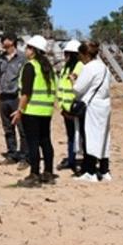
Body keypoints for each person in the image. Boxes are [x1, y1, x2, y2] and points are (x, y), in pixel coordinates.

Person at [11, 35, 56, 187]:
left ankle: (34, 174)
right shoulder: (48, 68)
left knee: (33, 143)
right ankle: (48, 172)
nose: (26, 50)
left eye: (29, 47)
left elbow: (26, 92)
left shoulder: (30, 66)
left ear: (35, 50)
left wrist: (19, 110)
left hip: (32, 110)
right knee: (45, 141)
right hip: (46, 111)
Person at [72, 41, 112, 182]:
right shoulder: (104, 68)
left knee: (90, 137)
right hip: (104, 105)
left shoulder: (89, 68)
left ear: (84, 54)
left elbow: (78, 89)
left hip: (92, 106)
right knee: (104, 138)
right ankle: (104, 170)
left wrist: (73, 81)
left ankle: (90, 171)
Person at [0, 34, 28, 166]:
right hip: (3, 98)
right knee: (8, 128)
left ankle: (25, 157)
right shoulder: (0, 58)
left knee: (22, 128)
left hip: (16, 97)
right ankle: (12, 154)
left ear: (12, 41)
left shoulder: (23, 58)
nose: (2, 42)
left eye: (4, 39)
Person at [56, 40, 84, 173]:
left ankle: (80, 162)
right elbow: (61, 88)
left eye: (67, 53)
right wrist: (62, 107)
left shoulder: (79, 66)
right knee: (71, 136)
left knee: (80, 136)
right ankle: (72, 161)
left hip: (76, 108)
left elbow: (77, 86)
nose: (65, 56)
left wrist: (74, 109)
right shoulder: (65, 68)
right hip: (67, 109)